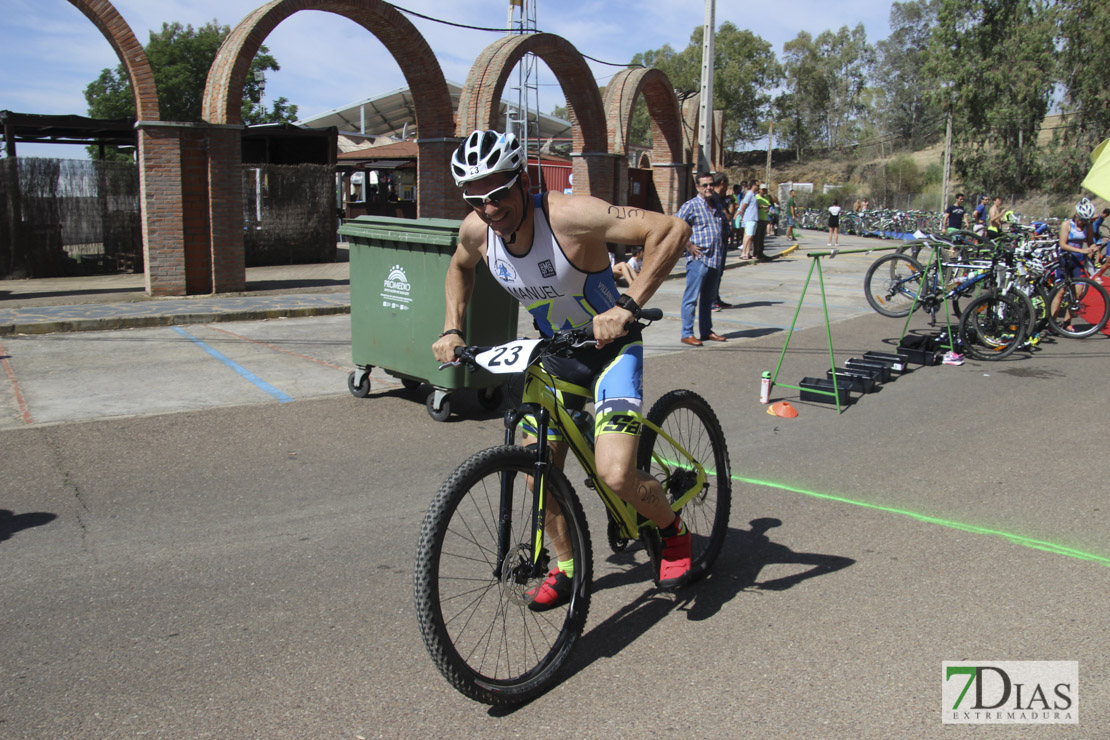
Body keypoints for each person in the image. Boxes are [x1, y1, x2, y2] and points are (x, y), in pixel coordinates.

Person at [433, 130, 694, 608]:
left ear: (523, 180)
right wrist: (452, 328)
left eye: (497, 194)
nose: (489, 209)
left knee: (615, 475)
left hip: (612, 352)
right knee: (538, 474)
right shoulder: (476, 229)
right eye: (475, 198)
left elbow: (673, 229)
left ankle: (673, 531)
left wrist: (628, 305)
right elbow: (459, 266)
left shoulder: (568, 215)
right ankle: (567, 567)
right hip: (555, 355)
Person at [676, 172, 729, 346]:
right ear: (698, 187)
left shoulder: (717, 205)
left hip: (715, 258)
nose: (708, 188)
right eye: (704, 185)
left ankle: (706, 331)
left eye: (711, 184)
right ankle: (687, 333)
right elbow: (676, 227)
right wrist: (689, 245)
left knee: (708, 299)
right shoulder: (691, 205)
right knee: (691, 298)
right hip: (698, 258)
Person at [738, 181, 759, 260]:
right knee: (748, 236)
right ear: (753, 185)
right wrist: (742, 216)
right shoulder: (749, 194)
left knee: (750, 236)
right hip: (749, 218)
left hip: (753, 218)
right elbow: (743, 206)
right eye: (757, 185)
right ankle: (743, 253)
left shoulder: (754, 195)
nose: (758, 186)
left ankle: (747, 253)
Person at [754, 186, 772, 260]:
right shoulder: (756, 197)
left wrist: (768, 209)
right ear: (759, 190)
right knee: (757, 237)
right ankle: (756, 253)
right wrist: (760, 207)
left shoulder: (767, 198)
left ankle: (761, 252)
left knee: (762, 237)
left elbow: (769, 206)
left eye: (765, 190)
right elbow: (754, 208)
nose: (764, 191)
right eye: (763, 190)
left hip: (764, 219)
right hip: (758, 219)